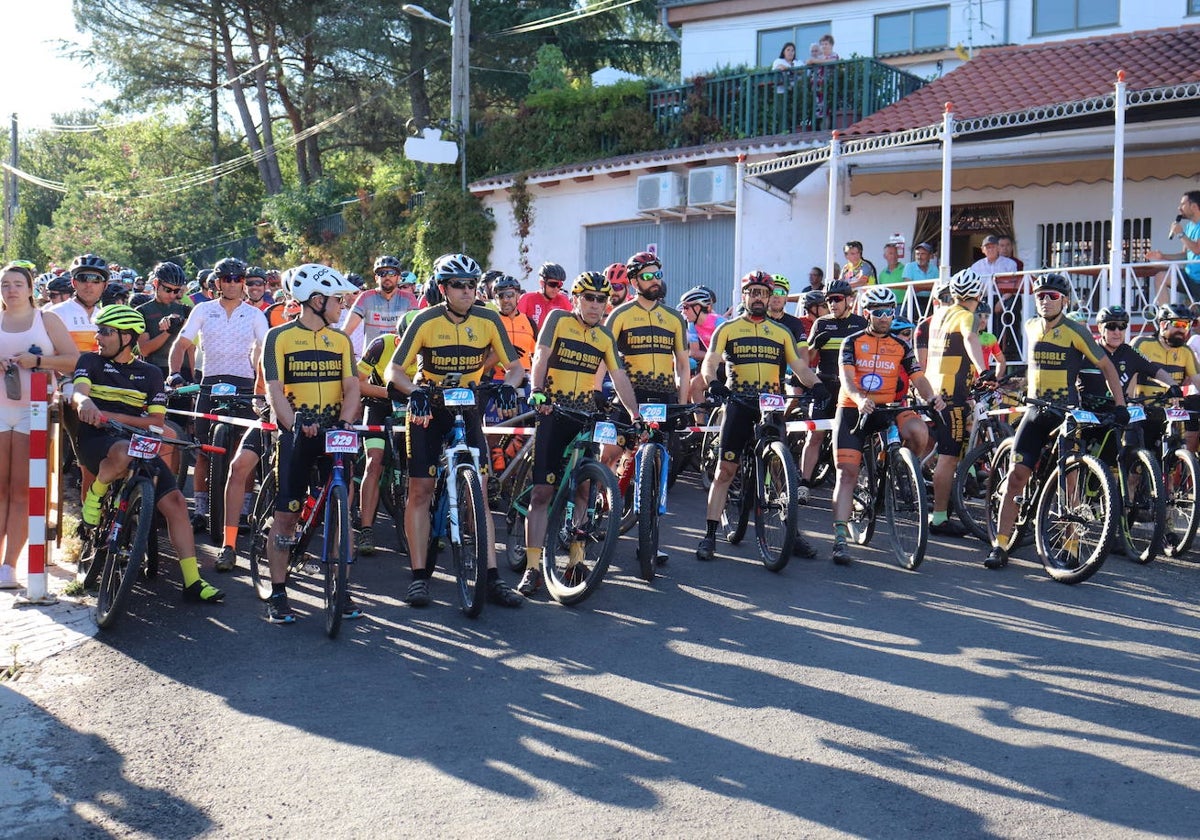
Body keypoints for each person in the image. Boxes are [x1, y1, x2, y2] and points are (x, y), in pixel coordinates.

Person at [387, 253, 525, 610]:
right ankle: (419, 577)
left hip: (468, 407)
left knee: (479, 490)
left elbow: (515, 366)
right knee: (420, 489)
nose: (467, 291)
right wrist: (414, 391)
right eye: (458, 285)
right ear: (443, 288)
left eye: (472, 285)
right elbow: (394, 371)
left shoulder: (488, 318)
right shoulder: (425, 320)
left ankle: (492, 578)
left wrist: (510, 384)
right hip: (428, 409)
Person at [72, 306, 224, 604]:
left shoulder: (151, 373)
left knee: (177, 503)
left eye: (105, 331)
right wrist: (84, 403)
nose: (98, 337)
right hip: (96, 439)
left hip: (134, 442)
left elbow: (156, 422)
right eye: (99, 330)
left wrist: (109, 414)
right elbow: (79, 391)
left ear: (126, 337)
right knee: (121, 452)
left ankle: (193, 581)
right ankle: (95, 496)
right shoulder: (89, 360)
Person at [986, 273, 1128, 571]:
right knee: (1016, 477)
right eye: (1040, 295)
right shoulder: (1029, 326)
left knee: (1070, 482)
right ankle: (1000, 544)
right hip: (1036, 410)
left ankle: (1071, 547)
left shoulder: (1075, 331)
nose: (1045, 300)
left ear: (1064, 300)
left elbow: (1107, 367)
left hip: (1066, 414)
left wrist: (1120, 405)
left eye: (1052, 296)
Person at [518, 271, 644, 595]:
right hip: (553, 411)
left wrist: (636, 414)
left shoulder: (604, 336)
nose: (596, 304)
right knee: (542, 494)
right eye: (589, 297)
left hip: (584, 416)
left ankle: (576, 561)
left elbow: (619, 377)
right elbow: (541, 357)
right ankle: (532, 568)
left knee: (584, 492)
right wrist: (536, 390)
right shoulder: (558, 319)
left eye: (602, 299)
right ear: (576, 299)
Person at [259, 264, 362, 623]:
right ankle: (278, 591)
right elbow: (274, 392)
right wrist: (293, 425)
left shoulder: (341, 340)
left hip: (334, 430)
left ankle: (341, 589)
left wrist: (346, 423)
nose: (342, 306)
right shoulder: (279, 337)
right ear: (316, 301)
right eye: (338, 300)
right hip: (296, 431)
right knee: (287, 515)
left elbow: (352, 388)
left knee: (342, 509)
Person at [695, 271, 822, 562]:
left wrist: (818, 386)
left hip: (771, 405)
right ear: (744, 296)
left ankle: (792, 533)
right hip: (739, 403)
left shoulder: (781, 333)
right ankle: (710, 535)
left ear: (769, 297)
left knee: (781, 472)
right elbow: (711, 362)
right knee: (725, 471)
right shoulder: (727, 328)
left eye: (762, 293)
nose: (758, 297)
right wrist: (713, 382)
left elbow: (799, 367)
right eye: (752, 292)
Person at [829, 286, 945, 565]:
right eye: (879, 312)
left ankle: (898, 468)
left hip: (888, 408)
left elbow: (917, 376)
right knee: (847, 473)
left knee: (919, 430)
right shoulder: (852, 342)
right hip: (854, 410)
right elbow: (846, 378)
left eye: (889, 312)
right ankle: (840, 537)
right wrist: (858, 399)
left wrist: (931, 397)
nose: (885, 317)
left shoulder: (901, 345)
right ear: (867, 313)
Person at [167, 257, 269, 538]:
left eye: (238, 279)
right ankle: (200, 511)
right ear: (218, 282)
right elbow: (182, 343)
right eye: (227, 279)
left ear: (244, 282)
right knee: (202, 451)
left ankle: (245, 511)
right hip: (210, 382)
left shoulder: (255, 315)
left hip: (244, 383)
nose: (233, 284)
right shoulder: (203, 309)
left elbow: (264, 347)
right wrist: (174, 373)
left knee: (243, 451)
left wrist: (263, 387)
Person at [0, 263, 78, 589]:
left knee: (21, 490)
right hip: (0, 411)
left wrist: (40, 362)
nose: (11, 289)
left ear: (31, 289)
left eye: (18, 283)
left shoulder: (47, 320)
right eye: (5, 284)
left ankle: (9, 566)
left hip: (34, 412)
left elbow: (74, 359)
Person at [924, 269, 991, 538]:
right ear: (978, 294)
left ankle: (944, 504)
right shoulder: (968, 316)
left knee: (944, 452)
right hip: (951, 395)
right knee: (948, 458)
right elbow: (970, 339)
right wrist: (984, 370)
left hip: (933, 389)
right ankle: (939, 517)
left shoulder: (939, 313)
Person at [798, 279, 866, 502]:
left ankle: (856, 487)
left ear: (849, 300)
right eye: (829, 301)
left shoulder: (861, 323)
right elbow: (806, 356)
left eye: (836, 300)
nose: (832, 304)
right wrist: (811, 351)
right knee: (815, 435)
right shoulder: (821, 324)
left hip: (850, 389)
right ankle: (804, 484)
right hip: (826, 385)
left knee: (857, 438)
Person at [1132, 303, 1200, 452]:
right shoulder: (1142, 343)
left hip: (1170, 416)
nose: (1183, 330)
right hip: (1143, 412)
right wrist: (1128, 402)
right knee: (1135, 467)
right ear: (1163, 324)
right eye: (1178, 324)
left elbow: (1198, 379)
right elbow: (1129, 375)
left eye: (1187, 325)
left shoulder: (1186, 351)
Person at [341, 255, 416, 352]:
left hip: (399, 360)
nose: (387, 277)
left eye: (392, 273)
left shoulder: (409, 299)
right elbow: (346, 331)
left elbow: (417, 332)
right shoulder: (366, 297)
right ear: (376, 278)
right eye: (382, 273)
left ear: (398, 278)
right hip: (371, 361)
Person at [136, 262, 191, 377]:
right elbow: (144, 350)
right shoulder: (142, 311)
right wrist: (168, 332)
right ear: (156, 283)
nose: (172, 295)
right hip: (155, 371)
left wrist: (194, 375)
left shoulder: (186, 310)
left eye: (176, 291)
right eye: (167, 290)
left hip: (183, 371)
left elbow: (191, 349)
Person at [47, 254, 108, 354]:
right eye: (82, 278)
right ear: (73, 283)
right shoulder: (55, 313)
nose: (88, 284)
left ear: (105, 285)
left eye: (96, 279)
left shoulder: (106, 317)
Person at [1147, 191, 1200, 301]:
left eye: (1183, 204)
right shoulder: (1189, 226)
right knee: (1160, 277)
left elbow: (1197, 250)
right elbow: (1185, 255)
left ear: (1194, 206)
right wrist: (1163, 256)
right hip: (1190, 278)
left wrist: (1180, 234)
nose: (1179, 208)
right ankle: (1167, 315)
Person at [517, 262, 572, 330]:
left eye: (559, 285)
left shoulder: (563, 300)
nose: (556, 288)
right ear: (542, 283)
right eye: (552, 284)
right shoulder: (527, 298)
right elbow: (517, 324)